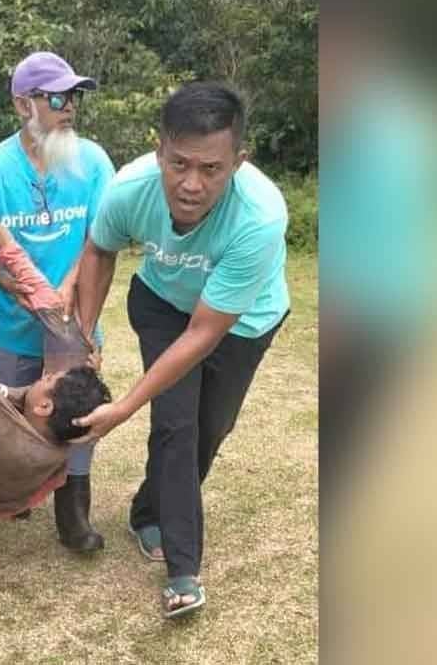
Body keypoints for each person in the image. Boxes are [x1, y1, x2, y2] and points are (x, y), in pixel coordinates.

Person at [74, 81, 290, 618]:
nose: (191, 184)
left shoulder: (259, 217)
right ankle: (184, 571)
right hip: (163, 304)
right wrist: (84, 333)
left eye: (211, 169)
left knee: (210, 427)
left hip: (241, 321)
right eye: (179, 164)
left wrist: (124, 406)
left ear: (238, 161)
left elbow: (205, 333)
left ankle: (149, 506)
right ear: (160, 151)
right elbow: (100, 249)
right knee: (176, 422)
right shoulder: (130, 188)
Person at [0, 51, 116, 551]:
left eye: (74, 97)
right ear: (22, 104)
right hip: (9, 323)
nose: (68, 107)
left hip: (76, 322)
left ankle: (73, 514)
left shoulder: (92, 161)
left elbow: (101, 235)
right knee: (16, 414)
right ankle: (18, 492)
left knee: (75, 412)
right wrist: (7, 285)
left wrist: (72, 283)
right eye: (56, 97)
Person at [0, 223, 111, 520]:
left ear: (44, 406)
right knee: (66, 336)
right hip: (16, 487)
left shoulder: (3, 433)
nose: (44, 375)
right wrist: (9, 251)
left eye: (47, 379)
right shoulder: (71, 432)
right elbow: (57, 317)